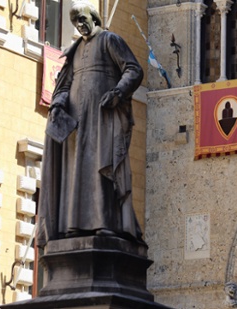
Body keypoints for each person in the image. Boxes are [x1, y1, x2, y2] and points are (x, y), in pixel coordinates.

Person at [36, 0, 144, 247]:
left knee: (102, 167)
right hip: (77, 124)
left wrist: (118, 92)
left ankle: (105, 224)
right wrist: (58, 105)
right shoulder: (74, 52)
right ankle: (75, 225)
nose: (80, 25)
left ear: (94, 18)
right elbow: (63, 86)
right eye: (75, 22)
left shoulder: (110, 40)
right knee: (76, 174)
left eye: (83, 19)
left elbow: (133, 70)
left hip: (103, 118)